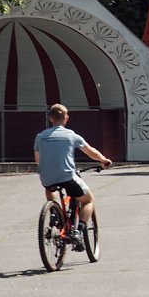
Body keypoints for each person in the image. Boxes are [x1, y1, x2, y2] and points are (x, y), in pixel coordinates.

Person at [34, 104, 112, 250]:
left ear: (50, 118)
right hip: (67, 176)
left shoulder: (40, 137)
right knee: (89, 200)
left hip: (46, 177)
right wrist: (103, 160)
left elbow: (38, 160)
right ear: (66, 118)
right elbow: (90, 151)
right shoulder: (70, 135)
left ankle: (54, 213)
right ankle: (77, 231)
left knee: (50, 187)